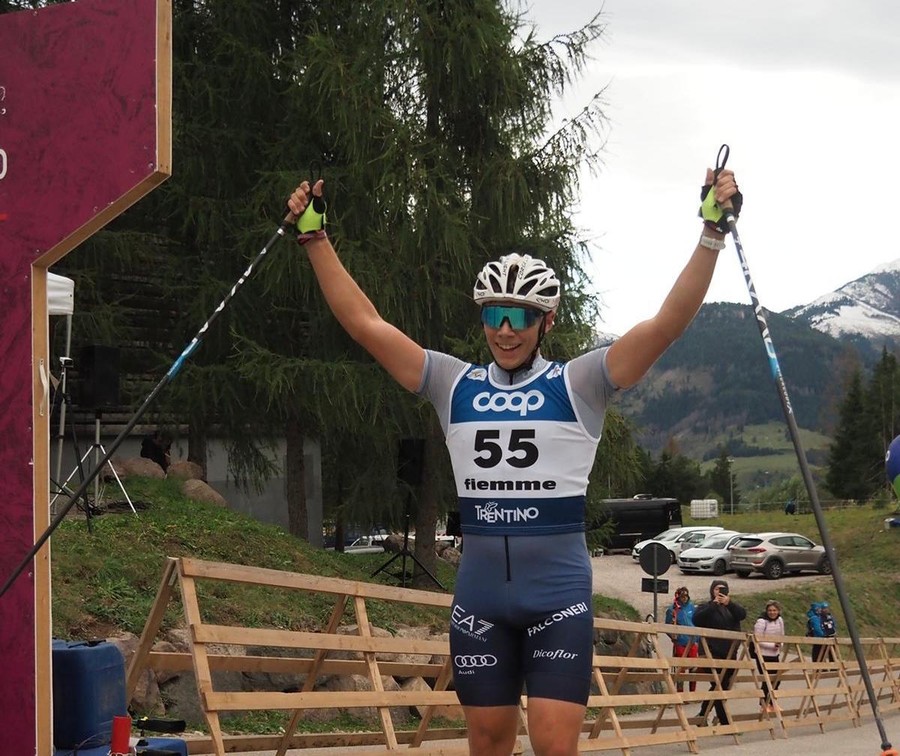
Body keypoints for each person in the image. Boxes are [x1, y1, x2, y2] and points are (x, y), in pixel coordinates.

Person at [286, 165, 740, 756]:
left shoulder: (579, 382)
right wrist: (315, 240)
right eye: (494, 314)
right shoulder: (453, 383)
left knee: (554, 744)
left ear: (546, 321)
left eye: (521, 315)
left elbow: (665, 327)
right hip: (479, 601)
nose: (505, 329)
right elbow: (366, 324)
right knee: (488, 743)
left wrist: (710, 234)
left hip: (558, 597)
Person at [693, 579, 746, 726]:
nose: (719, 592)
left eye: (722, 589)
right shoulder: (706, 606)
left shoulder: (732, 607)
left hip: (729, 653)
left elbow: (742, 615)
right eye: (717, 589)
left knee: (723, 685)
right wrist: (713, 605)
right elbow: (697, 620)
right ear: (712, 591)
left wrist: (729, 603)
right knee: (719, 683)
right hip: (710, 651)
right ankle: (725, 721)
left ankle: (702, 715)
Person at [753, 600, 784, 712]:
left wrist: (780, 645)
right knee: (767, 679)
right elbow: (757, 639)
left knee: (776, 679)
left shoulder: (780, 620)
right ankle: (764, 704)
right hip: (763, 654)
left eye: (774, 610)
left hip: (775, 653)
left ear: (778, 611)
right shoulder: (761, 622)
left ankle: (773, 702)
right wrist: (772, 645)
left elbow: (782, 635)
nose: (772, 613)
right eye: (770, 610)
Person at [665, 586, 698, 693]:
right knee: (680, 669)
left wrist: (698, 639)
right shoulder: (672, 610)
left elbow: (697, 623)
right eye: (682, 596)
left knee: (694, 668)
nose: (684, 599)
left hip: (692, 642)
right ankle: (680, 692)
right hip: (680, 642)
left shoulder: (692, 608)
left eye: (686, 596)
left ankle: (692, 692)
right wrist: (674, 637)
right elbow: (667, 626)